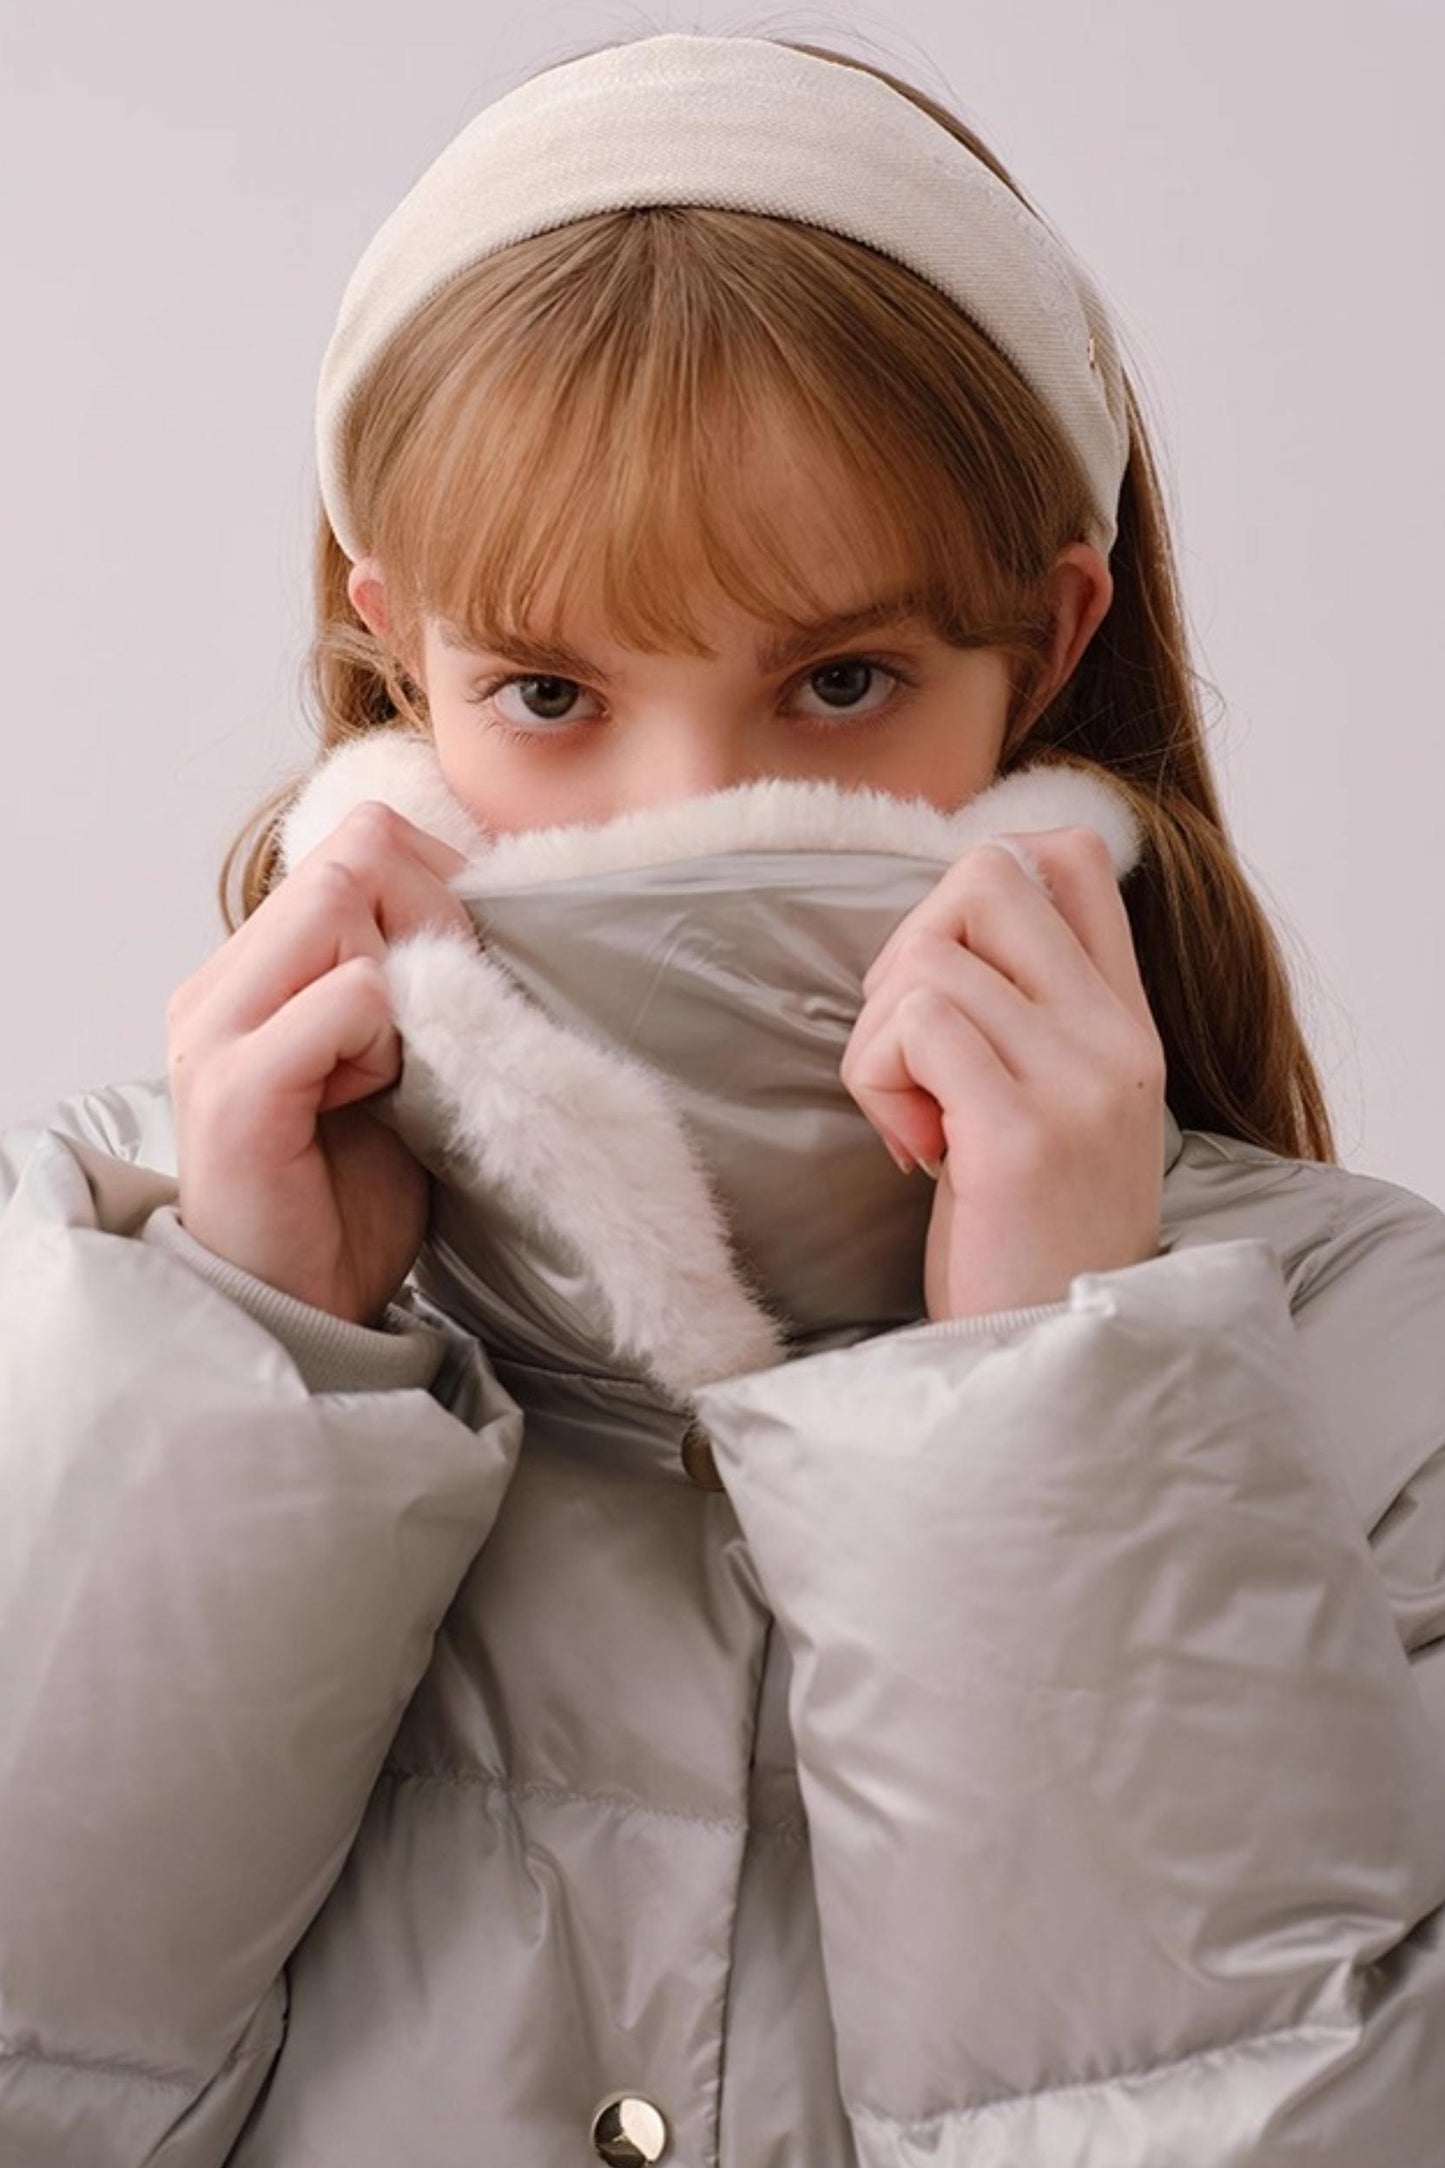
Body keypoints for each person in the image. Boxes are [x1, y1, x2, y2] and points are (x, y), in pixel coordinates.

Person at [2, 28, 1443, 2168]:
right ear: (401, 655)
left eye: (838, 681)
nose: (692, 814)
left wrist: (1049, 1404)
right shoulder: (88, 1276)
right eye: (555, 692)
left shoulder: (1372, 1361)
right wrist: (241, 1376)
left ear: (1042, 650)